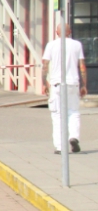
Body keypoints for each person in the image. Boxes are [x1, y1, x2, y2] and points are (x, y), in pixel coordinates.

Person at [42, 23, 88, 154]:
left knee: (57, 115)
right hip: (73, 83)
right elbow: (82, 66)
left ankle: (60, 146)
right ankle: (74, 136)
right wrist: (84, 84)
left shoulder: (51, 45)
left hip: (57, 84)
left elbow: (45, 65)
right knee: (73, 112)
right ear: (70, 31)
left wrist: (44, 82)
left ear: (57, 33)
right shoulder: (77, 45)